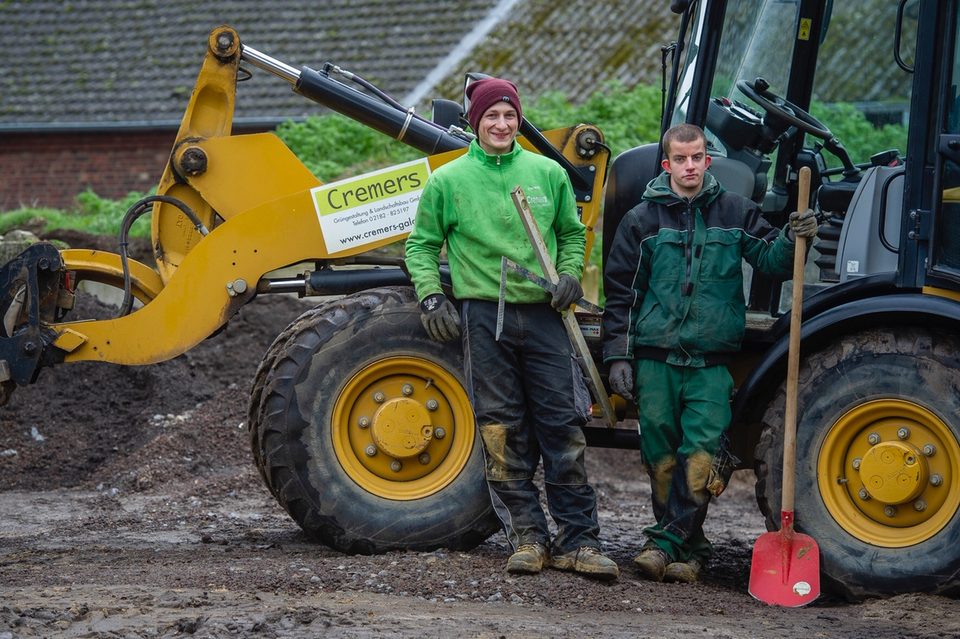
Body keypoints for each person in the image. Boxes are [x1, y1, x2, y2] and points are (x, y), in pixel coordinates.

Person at [404, 77, 619, 581]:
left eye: (508, 116)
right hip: (484, 318)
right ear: (475, 123)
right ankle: (528, 537)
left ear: (519, 121)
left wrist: (569, 273)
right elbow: (419, 246)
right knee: (501, 432)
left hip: (546, 316)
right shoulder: (449, 182)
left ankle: (579, 542)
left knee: (562, 430)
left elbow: (571, 232)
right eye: (490, 117)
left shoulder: (546, 173)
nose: (501, 125)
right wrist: (431, 294)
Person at [602, 123, 818, 583]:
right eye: (680, 159)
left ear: (707, 160)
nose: (690, 166)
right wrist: (618, 356)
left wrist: (796, 236)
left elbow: (773, 262)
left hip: (710, 363)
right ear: (667, 165)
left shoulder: (736, 211)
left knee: (700, 458)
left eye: (697, 157)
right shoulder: (641, 221)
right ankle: (692, 550)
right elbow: (621, 294)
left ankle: (661, 545)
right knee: (660, 459)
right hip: (656, 360)